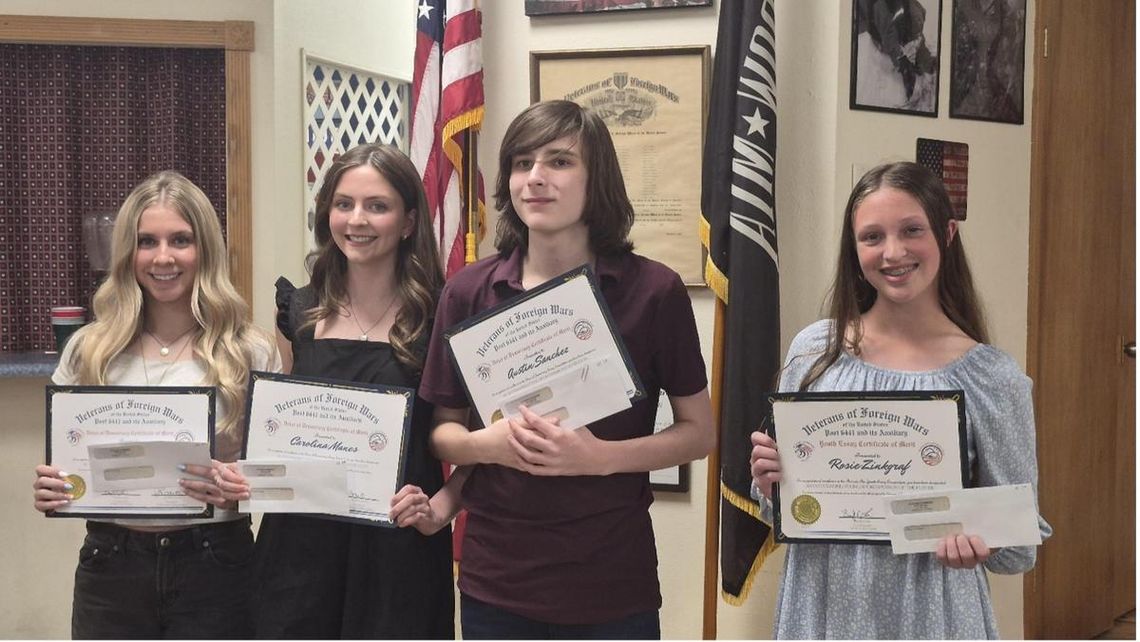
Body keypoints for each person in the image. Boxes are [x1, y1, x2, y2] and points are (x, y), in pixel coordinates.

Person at [419, 99, 715, 639]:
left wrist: (599, 458)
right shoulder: (467, 292)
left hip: (611, 581)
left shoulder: (655, 291)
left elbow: (699, 433)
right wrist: (493, 444)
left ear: (595, 177)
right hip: (497, 579)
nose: (536, 178)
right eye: (522, 162)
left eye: (559, 162)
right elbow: (442, 433)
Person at [749, 161, 1052, 639]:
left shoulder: (993, 378)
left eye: (912, 230)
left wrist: (980, 542)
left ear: (947, 234)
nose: (893, 252)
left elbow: (1018, 549)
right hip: (823, 605)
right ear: (854, 247)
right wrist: (770, 484)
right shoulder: (813, 351)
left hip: (932, 613)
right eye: (872, 237)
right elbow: (787, 512)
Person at [216, 143, 460, 639]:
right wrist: (245, 473)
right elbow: (275, 428)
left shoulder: (441, 317)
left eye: (377, 206)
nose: (357, 220)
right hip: (299, 548)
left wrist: (442, 509)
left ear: (409, 221)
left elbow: (474, 441)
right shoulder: (299, 312)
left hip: (399, 550)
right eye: (343, 204)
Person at [31, 171, 282, 639]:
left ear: (205, 248)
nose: (163, 257)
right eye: (147, 241)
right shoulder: (89, 348)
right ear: (129, 252)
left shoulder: (251, 350)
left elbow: (281, 472)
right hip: (111, 566)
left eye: (180, 240)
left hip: (217, 563)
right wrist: (54, 486)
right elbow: (67, 462)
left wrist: (239, 485)